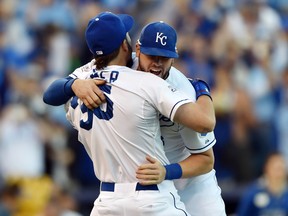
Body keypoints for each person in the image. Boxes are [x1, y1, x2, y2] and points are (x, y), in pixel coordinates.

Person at [43, 20, 226, 215]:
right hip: (144, 185)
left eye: (164, 58)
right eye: (151, 55)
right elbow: (50, 94)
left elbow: (206, 159)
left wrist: (167, 171)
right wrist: (73, 85)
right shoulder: (111, 70)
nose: (157, 64)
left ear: (174, 58)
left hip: (190, 182)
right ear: (136, 49)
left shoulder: (181, 88)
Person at [236, 152, 288, 216]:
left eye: (281, 169)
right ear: (266, 168)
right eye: (275, 169)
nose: (278, 173)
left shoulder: (286, 194)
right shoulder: (253, 192)